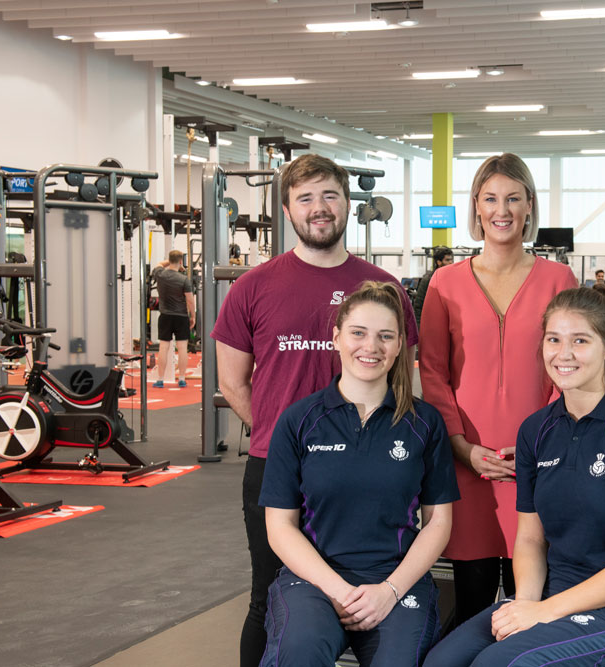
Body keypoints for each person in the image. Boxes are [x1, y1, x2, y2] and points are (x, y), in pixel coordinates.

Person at [210, 153, 418, 667]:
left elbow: (407, 379)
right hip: (276, 471)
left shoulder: (383, 289)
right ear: (287, 210)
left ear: (347, 204)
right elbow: (232, 382)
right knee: (268, 599)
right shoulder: (250, 288)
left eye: (330, 196)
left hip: (371, 469)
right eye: (306, 198)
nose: (319, 208)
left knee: (373, 597)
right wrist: (288, 445)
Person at [424, 286, 605, 667]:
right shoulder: (536, 431)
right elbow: (529, 537)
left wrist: (546, 611)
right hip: (550, 595)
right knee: (442, 662)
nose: (564, 354)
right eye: (554, 340)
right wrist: (526, 602)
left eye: (580, 340)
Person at [259, 282, 458, 666]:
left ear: (400, 345)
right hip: (315, 580)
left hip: (396, 579)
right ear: (336, 338)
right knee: (297, 653)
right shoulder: (299, 421)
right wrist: (337, 589)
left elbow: (438, 522)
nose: (371, 347)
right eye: (358, 333)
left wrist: (389, 590)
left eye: (385, 336)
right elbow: (280, 527)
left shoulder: (424, 423)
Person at [419, 153, 577, 628]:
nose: (501, 210)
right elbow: (432, 373)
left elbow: (567, 371)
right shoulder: (445, 283)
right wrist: (463, 449)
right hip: (468, 465)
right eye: (490, 199)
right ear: (476, 207)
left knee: (533, 606)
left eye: (513, 198)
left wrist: (537, 447)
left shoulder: (558, 280)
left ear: (530, 206)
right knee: (471, 604)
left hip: (538, 463)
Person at [151, 249, 195, 388]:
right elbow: (190, 301)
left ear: (169, 261)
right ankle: (181, 378)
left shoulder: (160, 274)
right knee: (182, 348)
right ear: (181, 262)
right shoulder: (184, 279)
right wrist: (193, 316)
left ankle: (160, 379)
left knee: (163, 348)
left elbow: (158, 264)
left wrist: (169, 262)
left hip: (165, 316)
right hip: (181, 316)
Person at [413, 246, 454, 325]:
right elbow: (419, 307)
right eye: (447, 260)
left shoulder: (453, 280)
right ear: (439, 262)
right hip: (432, 324)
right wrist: (419, 328)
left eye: (451, 260)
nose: (451, 262)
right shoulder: (428, 280)